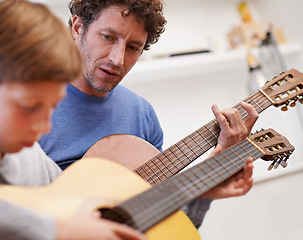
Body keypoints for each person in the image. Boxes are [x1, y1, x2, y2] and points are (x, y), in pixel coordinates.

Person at [38, 0, 258, 229]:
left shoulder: (142, 114)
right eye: (108, 37)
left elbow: (165, 225)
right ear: (78, 28)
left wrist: (205, 191)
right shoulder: (26, 105)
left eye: (133, 47)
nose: (117, 60)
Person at [0, 0, 145, 239]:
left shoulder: (31, 158)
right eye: (30, 106)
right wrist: (55, 229)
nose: (44, 126)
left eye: (52, 107)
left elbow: (74, 207)